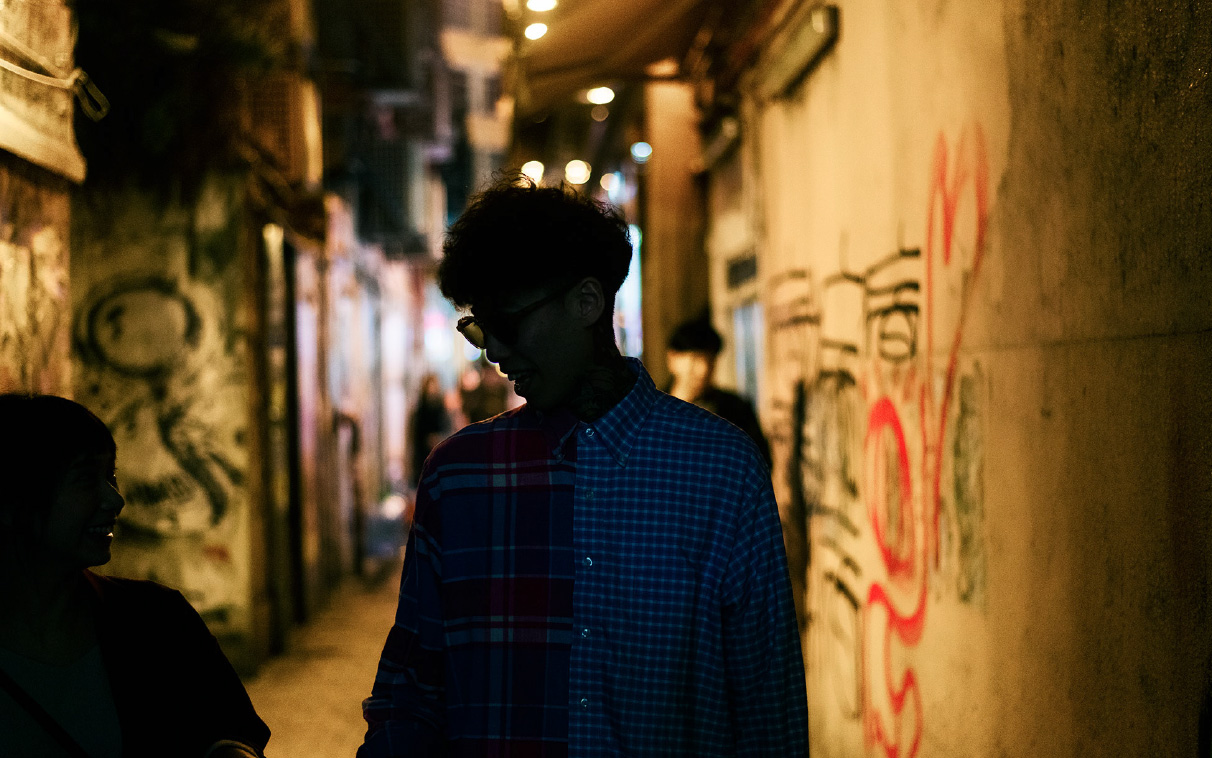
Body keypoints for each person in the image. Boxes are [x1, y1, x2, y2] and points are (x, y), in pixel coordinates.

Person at [359, 175, 807, 757]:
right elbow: (410, 695)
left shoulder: (721, 472)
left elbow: (767, 715)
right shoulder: (460, 478)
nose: (494, 351)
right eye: (478, 329)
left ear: (588, 303)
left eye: (507, 323)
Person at [0, 393, 270, 758]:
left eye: (110, 476)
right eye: (86, 479)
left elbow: (230, 731)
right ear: (11, 501)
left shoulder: (158, 621)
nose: (115, 499)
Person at [666, 316, 772, 469]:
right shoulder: (653, 407)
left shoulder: (737, 409)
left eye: (710, 361)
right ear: (672, 359)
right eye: (695, 358)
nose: (703, 370)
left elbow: (761, 462)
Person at [410, 373, 452, 484]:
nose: (432, 389)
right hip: (423, 451)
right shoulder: (420, 410)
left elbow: (447, 427)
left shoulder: (442, 408)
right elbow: (416, 434)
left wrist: (439, 438)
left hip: (439, 449)